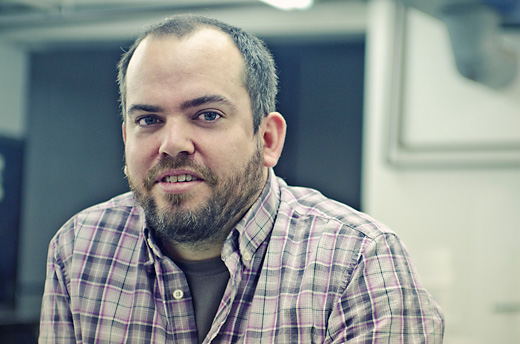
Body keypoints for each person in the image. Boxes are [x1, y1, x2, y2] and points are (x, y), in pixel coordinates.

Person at [39, 14, 444, 343]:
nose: (172, 144)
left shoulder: (358, 263)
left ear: (267, 139)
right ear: (127, 138)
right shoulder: (80, 250)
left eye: (208, 115)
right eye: (149, 119)